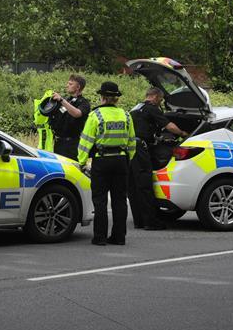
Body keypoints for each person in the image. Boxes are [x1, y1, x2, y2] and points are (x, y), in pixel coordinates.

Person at [78, 81, 135, 246]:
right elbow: (132, 142)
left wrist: (82, 162)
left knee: (100, 200)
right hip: (121, 160)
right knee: (119, 200)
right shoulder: (126, 115)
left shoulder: (95, 116)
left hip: (102, 160)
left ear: (102, 97)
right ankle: (119, 237)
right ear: (116, 99)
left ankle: (100, 237)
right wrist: (127, 159)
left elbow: (86, 141)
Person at [129, 87, 188, 230]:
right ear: (155, 97)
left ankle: (139, 220)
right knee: (145, 185)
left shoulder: (136, 108)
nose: (160, 102)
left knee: (133, 186)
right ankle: (150, 222)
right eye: (160, 99)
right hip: (140, 149)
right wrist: (182, 133)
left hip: (129, 149)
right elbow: (170, 126)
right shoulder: (152, 108)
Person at [47, 74, 91, 160]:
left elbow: (77, 113)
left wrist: (61, 100)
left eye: (70, 84)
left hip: (72, 145)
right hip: (58, 143)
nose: (67, 85)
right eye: (68, 83)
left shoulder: (84, 103)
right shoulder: (67, 100)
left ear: (78, 87)